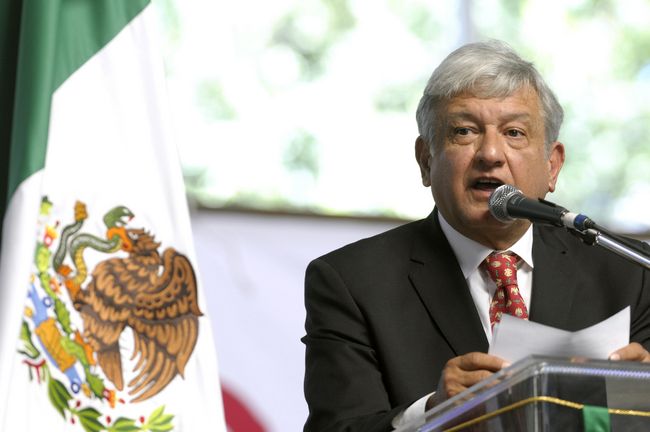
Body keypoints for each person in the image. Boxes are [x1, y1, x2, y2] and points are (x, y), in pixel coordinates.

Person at [301, 39, 650, 432]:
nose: (490, 154)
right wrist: (433, 412)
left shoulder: (628, 271)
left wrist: (639, 398)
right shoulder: (351, 282)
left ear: (552, 166)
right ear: (426, 160)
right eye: (464, 131)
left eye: (514, 132)